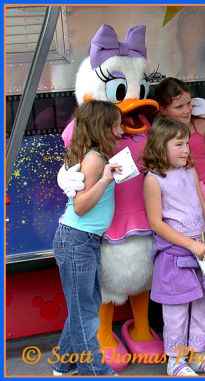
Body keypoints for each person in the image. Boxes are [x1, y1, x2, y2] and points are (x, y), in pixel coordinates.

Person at [141, 116, 205, 376]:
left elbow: (203, 207)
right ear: (160, 146)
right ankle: (176, 362)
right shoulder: (153, 180)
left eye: (187, 144)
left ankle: (200, 356)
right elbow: (156, 223)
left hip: (203, 252)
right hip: (175, 257)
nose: (186, 150)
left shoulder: (190, 171)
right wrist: (192, 245)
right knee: (177, 310)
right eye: (179, 145)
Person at [51, 100, 123, 376]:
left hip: (83, 240)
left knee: (84, 306)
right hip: (77, 239)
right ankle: (94, 370)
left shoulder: (96, 157)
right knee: (86, 311)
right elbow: (81, 206)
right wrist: (105, 180)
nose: (120, 131)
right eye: (115, 126)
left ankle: (63, 364)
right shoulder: (95, 159)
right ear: (101, 128)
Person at [153, 77, 205, 241]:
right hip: (183, 202)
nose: (187, 110)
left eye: (189, 103)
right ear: (162, 110)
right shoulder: (159, 135)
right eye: (179, 107)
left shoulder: (201, 125)